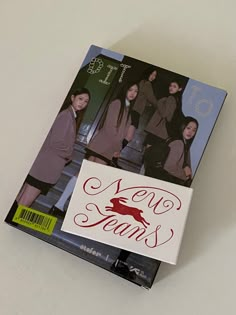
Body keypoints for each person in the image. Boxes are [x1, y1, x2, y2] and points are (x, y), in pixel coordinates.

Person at [16, 88, 91, 208]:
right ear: (72, 98)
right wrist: (69, 154)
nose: (82, 103)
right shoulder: (66, 115)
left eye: (86, 101)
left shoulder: (71, 116)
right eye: (80, 99)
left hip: (45, 165)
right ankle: (10, 222)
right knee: (25, 201)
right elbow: (56, 142)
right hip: (45, 167)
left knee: (22, 197)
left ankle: (9, 219)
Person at [86, 81, 139, 165]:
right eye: (130, 90)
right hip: (105, 144)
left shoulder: (127, 108)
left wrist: (117, 148)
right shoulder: (117, 103)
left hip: (107, 145)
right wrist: (117, 147)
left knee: (86, 172)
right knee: (88, 173)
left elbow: (123, 132)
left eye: (136, 91)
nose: (133, 93)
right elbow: (110, 127)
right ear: (125, 90)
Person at [140, 80, 184, 174]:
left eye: (174, 86)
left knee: (148, 155)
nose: (171, 88)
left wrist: (160, 101)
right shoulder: (176, 100)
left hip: (157, 131)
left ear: (180, 89)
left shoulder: (171, 98)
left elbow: (164, 114)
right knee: (150, 156)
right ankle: (145, 174)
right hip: (160, 132)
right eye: (171, 85)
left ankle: (143, 174)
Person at [145, 116, 199, 186]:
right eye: (188, 128)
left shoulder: (177, 140)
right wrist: (185, 176)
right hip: (163, 181)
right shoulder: (179, 143)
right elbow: (169, 166)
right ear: (182, 127)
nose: (190, 132)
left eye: (194, 130)